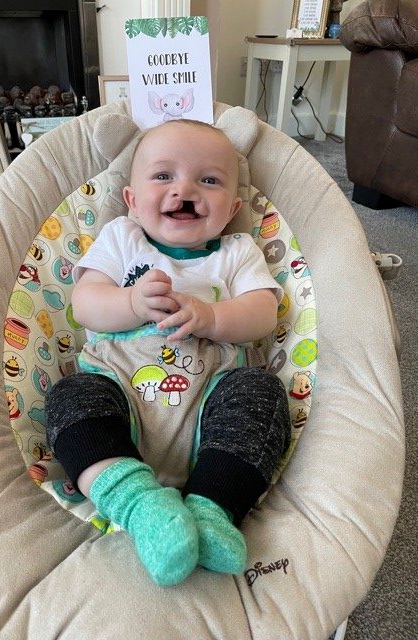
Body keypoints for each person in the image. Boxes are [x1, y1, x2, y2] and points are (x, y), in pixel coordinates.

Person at [45, 119, 290, 586]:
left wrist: (214, 318)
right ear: (132, 200)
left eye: (209, 180)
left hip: (210, 399)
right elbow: (85, 305)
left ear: (233, 207)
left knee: (261, 391)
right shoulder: (122, 238)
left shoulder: (237, 252)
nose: (185, 189)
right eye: (163, 176)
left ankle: (213, 507)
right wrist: (131, 302)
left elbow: (264, 313)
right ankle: (141, 506)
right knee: (70, 397)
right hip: (119, 386)